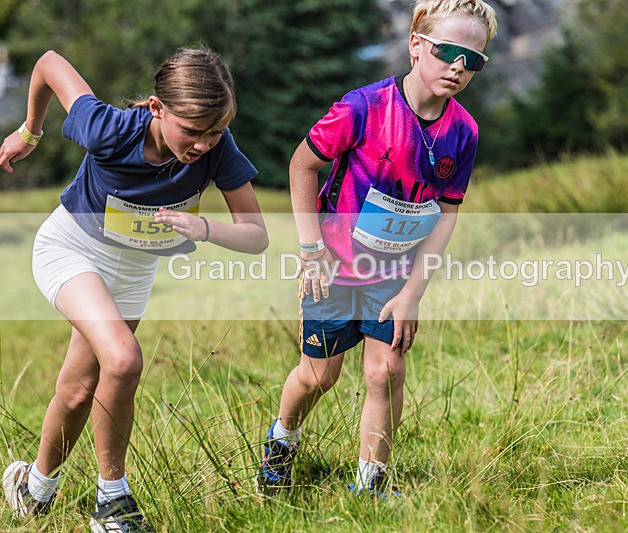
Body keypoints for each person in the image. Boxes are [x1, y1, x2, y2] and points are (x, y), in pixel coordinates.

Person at [0, 47, 268, 531]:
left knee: (81, 388)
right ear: (156, 108)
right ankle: (113, 504)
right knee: (123, 358)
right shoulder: (108, 128)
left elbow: (256, 235)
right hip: (72, 249)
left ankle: (33, 488)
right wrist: (29, 132)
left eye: (214, 132)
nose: (203, 144)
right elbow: (48, 62)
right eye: (192, 130)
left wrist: (202, 227)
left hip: (132, 272)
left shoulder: (217, 149)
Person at [256, 0, 497, 497]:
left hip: (395, 275)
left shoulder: (464, 132)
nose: (458, 66)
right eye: (447, 51)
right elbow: (302, 167)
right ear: (415, 45)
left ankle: (370, 485)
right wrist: (309, 249)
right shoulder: (362, 107)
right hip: (335, 269)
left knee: (386, 372)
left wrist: (412, 294)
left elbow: (447, 214)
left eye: (472, 59)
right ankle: (282, 442)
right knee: (318, 377)